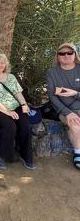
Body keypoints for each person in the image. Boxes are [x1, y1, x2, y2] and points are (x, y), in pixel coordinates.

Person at [0, 53, 35, 170]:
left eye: (2, 62)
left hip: (14, 106)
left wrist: (24, 104)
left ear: (6, 65)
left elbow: (18, 93)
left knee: (25, 125)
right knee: (10, 126)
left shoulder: (11, 77)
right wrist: (7, 112)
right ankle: (1, 154)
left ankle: (25, 155)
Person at [46, 43, 80, 171]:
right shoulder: (52, 72)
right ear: (57, 56)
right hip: (64, 109)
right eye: (62, 53)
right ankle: (78, 153)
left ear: (74, 55)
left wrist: (75, 93)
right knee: (75, 125)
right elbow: (52, 96)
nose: (66, 56)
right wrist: (67, 113)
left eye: (69, 53)